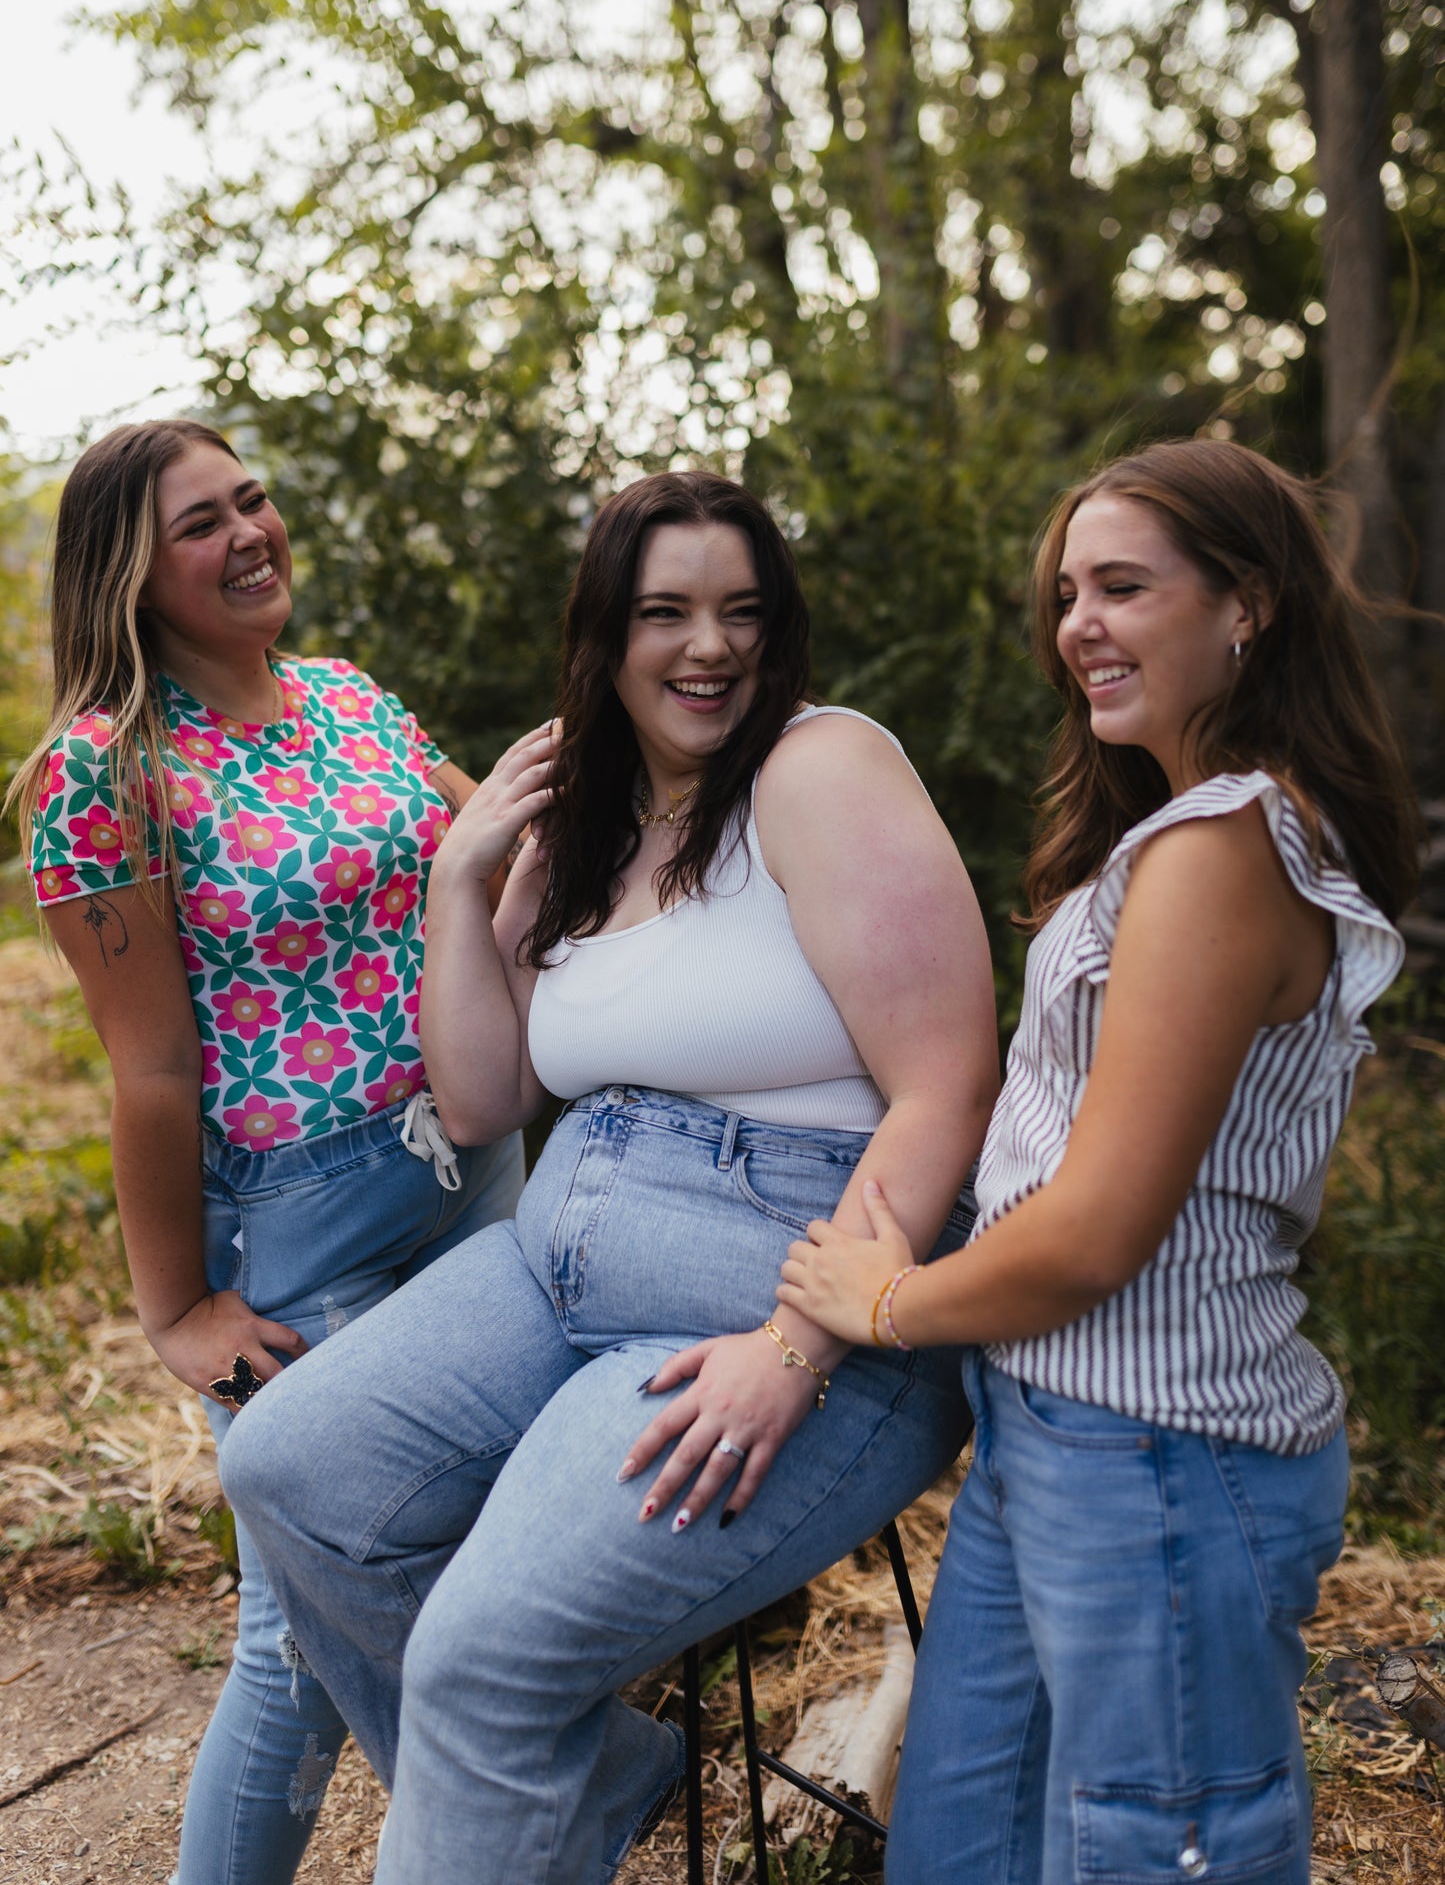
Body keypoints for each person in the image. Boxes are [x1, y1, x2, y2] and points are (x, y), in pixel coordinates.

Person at [216, 467, 999, 1883]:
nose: (709, 646)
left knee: (477, 1663)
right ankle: (585, 1776)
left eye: (741, 612)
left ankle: (512, 1750)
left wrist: (794, 1345)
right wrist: (466, 878)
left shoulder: (817, 768)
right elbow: (480, 1097)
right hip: (553, 1258)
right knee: (285, 1467)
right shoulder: (595, 819)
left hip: (776, 1284)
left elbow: (948, 1084)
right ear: (603, 633)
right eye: (665, 612)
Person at [779, 437, 1418, 1885]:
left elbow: (1094, 1230)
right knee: (961, 1845)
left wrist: (881, 1300)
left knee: (1154, 1851)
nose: (1078, 627)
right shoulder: (1172, 834)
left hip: (1160, 1453)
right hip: (1053, 1428)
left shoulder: (1222, 851)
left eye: (1123, 587)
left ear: (1244, 605)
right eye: (1069, 593)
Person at [10, 420, 525, 1885]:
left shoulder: (350, 701)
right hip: (306, 1238)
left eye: (254, 501)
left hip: (477, 1177)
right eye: (199, 524)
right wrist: (173, 1312)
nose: (249, 533)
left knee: (489, 1566)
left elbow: (495, 848)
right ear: (127, 569)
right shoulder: (102, 778)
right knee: (302, 1634)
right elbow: (152, 1069)